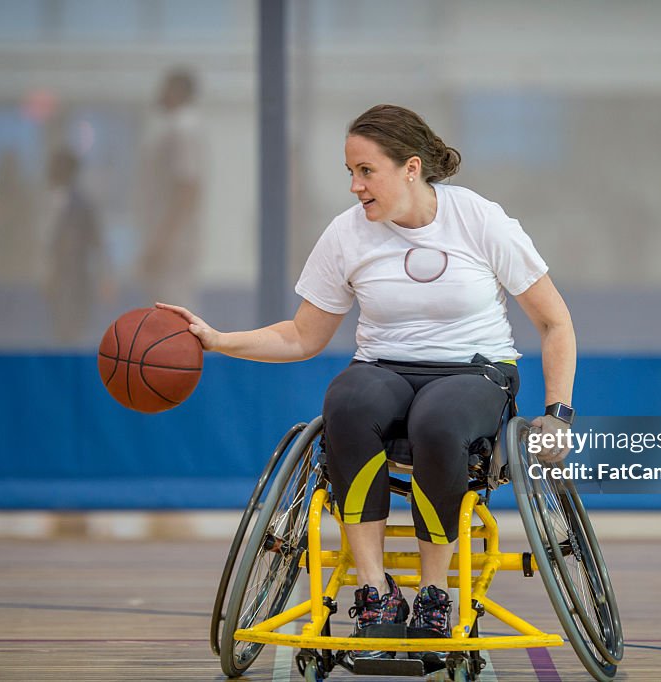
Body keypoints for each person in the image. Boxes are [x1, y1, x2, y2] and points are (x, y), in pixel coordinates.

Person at [159, 104, 575, 663]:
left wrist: (558, 416)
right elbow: (303, 336)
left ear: (410, 167)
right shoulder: (346, 235)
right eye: (349, 173)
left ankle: (433, 595)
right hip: (384, 367)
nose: (355, 186)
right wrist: (218, 339)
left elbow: (554, 322)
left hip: (475, 370)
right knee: (346, 404)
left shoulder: (478, 219)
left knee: (439, 420)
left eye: (365, 171)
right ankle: (376, 594)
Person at [137, 67, 205, 311]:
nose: (160, 93)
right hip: (170, 232)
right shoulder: (174, 127)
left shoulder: (183, 128)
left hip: (175, 236)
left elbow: (187, 188)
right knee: (165, 301)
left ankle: (182, 350)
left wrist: (163, 240)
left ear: (177, 90)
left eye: (165, 87)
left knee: (173, 303)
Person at [43, 146, 112, 344]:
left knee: (71, 329)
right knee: (57, 328)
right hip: (57, 275)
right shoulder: (48, 201)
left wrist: (105, 275)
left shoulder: (82, 205)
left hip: (74, 277)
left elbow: (97, 242)